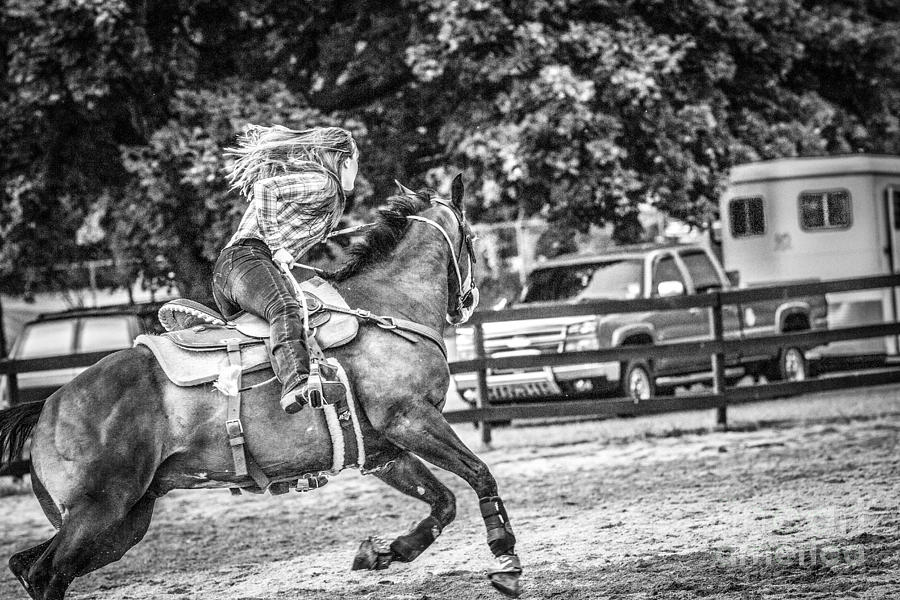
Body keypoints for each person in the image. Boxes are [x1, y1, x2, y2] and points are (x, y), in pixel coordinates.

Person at [212, 124, 359, 413]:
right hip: (247, 260)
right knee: (285, 308)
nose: (356, 168)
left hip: (232, 271)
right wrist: (278, 246)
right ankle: (297, 382)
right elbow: (265, 189)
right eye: (356, 160)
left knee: (275, 333)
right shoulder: (324, 183)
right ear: (344, 161)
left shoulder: (324, 194)